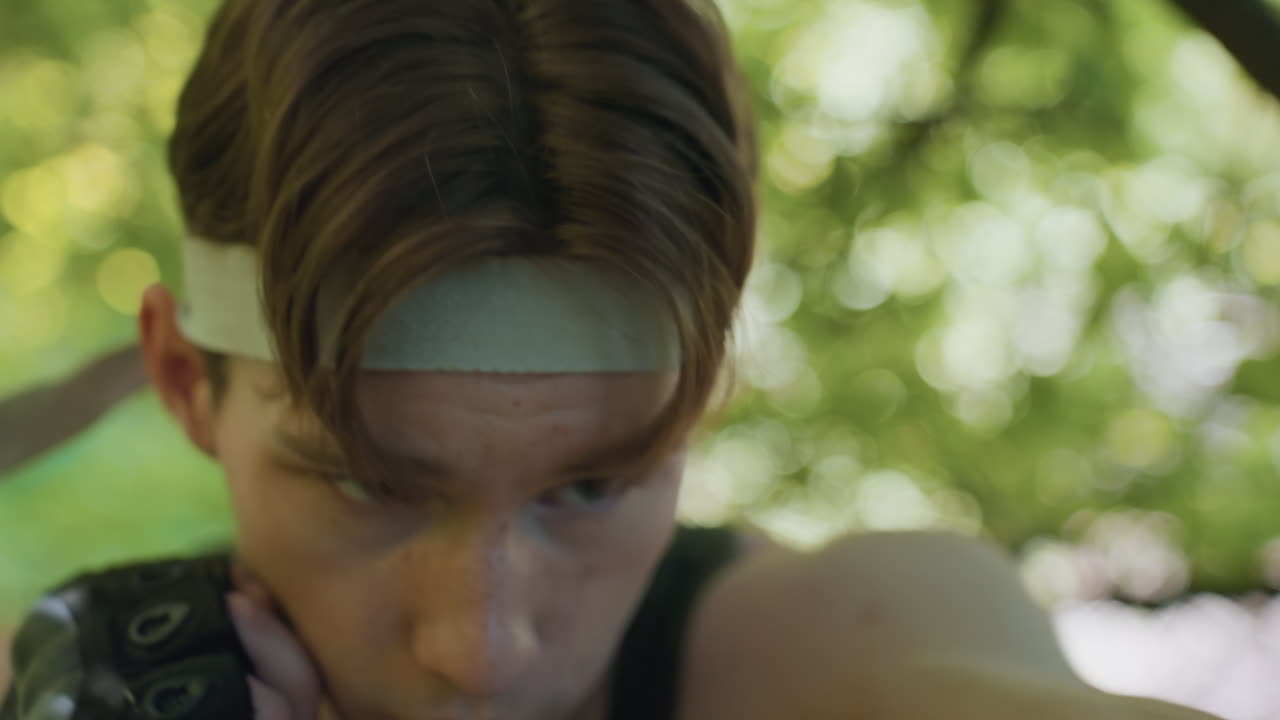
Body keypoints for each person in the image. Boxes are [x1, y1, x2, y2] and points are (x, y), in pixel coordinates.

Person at [0, 1, 1224, 718]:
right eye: (370, 485)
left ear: (700, 406)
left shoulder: (835, 641)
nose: (481, 650)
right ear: (180, 381)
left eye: (589, 488)